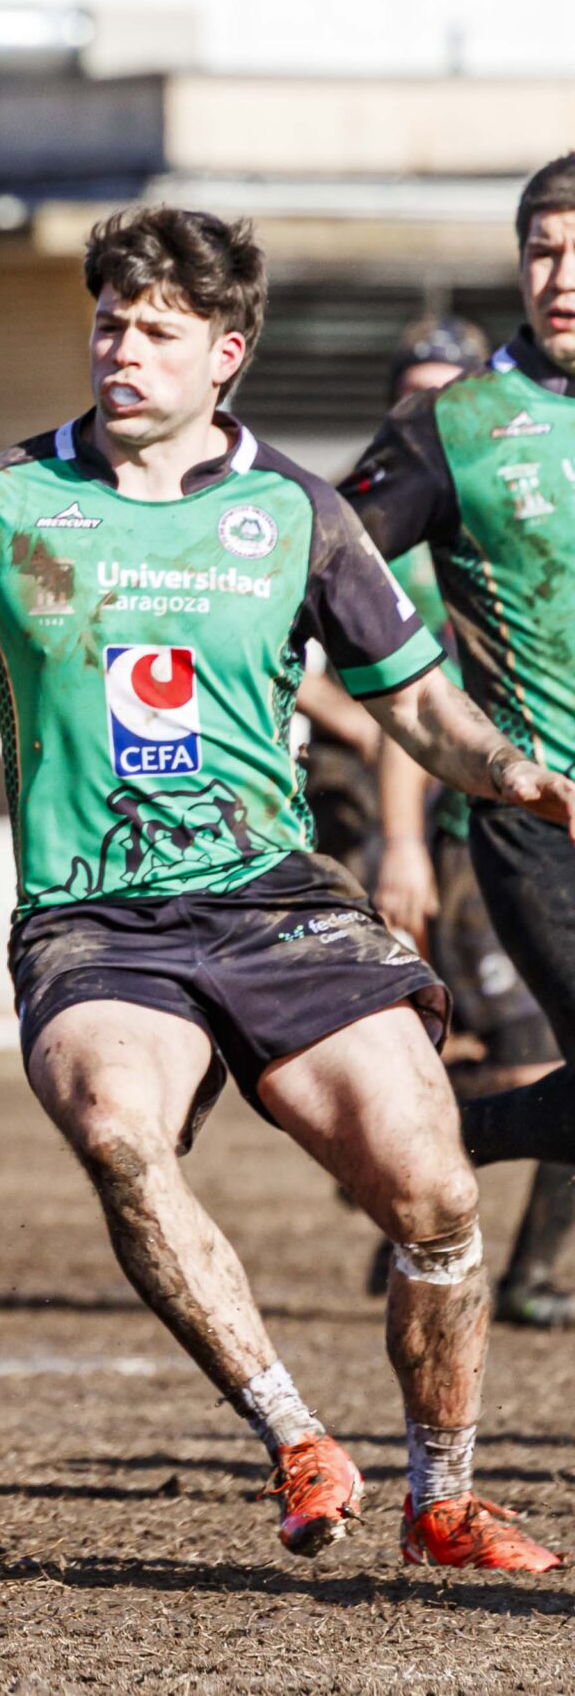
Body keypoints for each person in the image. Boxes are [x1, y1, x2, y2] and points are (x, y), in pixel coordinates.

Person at [0, 204, 571, 1569]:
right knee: (120, 1129)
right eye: (109, 321)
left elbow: (415, 699)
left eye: (157, 330)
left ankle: (445, 1495)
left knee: (436, 1192)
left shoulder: (294, 514)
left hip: (275, 895)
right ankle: (296, 1432)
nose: (122, 348)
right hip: (92, 916)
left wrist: (509, 772)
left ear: (226, 351)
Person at [343, 159, 575, 1326]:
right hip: (536, 814)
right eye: (541, 249)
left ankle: (430, 1128)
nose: (561, 277)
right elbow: (319, 566)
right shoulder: (455, 423)